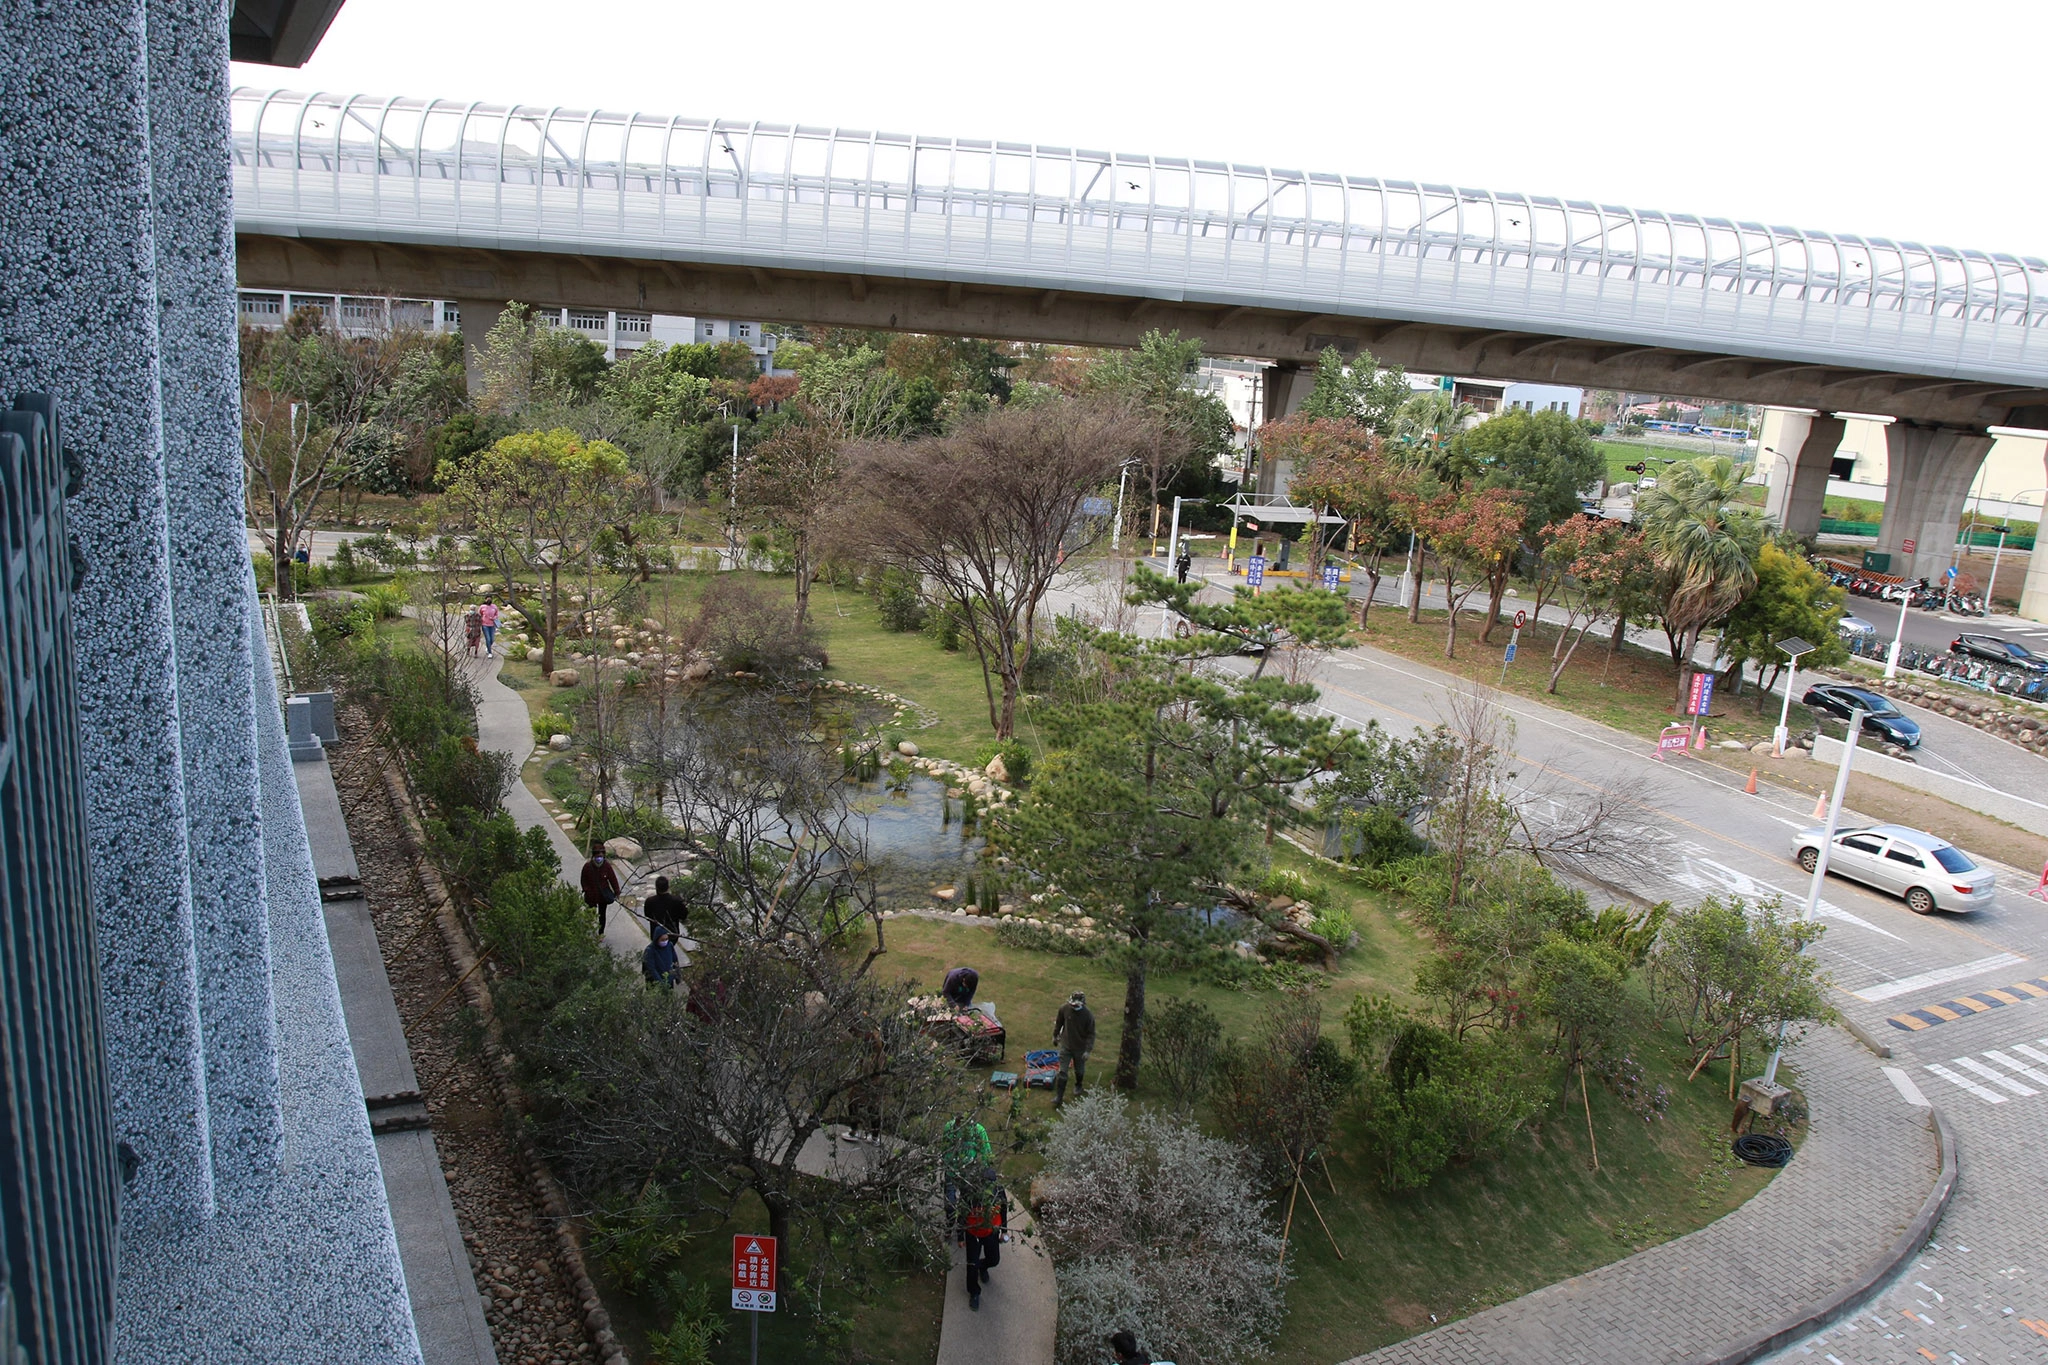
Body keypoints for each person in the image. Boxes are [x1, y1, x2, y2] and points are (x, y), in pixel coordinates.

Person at [960, 1165, 1008, 1312]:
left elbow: (1004, 1210)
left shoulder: (998, 1192)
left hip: (991, 1232)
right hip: (973, 1233)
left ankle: (983, 1266)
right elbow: (961, 1214)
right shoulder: (970, 1194)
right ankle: (974, 1292)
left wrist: (1003, 1231)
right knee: (971, 1266)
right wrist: (960, 1236)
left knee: (994, 1259)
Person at [941, 1113, 993, 1234]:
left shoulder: (979, 1131)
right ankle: (949, 1225)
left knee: (965, 1204)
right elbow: (944, 1147)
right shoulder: (949, 1127)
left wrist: (984, 1171)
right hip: (951, 1171)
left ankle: (961, 1229)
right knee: (950, 1203)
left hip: (969, 1174)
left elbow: (986, 1153)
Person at [1052, 990, 1095, 1107]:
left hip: (1080, 1048)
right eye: (1072, 1005)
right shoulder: (1064, 1009)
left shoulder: (1088, 1016)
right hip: (1066, 1046)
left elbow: (1091, 1034)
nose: (1073, 1007)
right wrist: (1055, 1036)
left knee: (1079, 1070)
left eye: (1076, 1005)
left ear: (1082, 1004)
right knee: (1062, 1072)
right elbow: (1059, 1023)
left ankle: (1078, 1084)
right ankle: (1059, 1097)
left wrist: (1087, 1051)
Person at [580, 842, 621, 936]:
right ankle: (588, 930)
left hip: (603, 896)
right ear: (594, 856)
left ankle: (601, 933)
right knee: (591, 913)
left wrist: (617, 891)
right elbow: (583, 880)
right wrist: (586, 890)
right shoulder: (587, 867)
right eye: (598, 856)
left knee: (602, 915)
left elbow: (613, 879)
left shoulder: (607, 866)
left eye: (601, 856)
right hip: (591, 895)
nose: (600, 858)